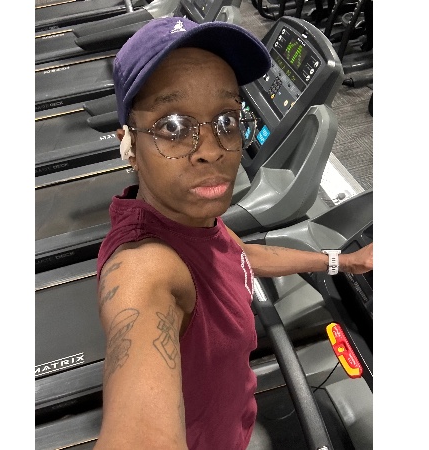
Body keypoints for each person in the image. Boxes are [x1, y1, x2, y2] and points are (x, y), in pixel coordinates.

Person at [93, 17, 373, 450]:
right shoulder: (144, 269)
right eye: (172, 127)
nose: (211, 150)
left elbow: (239, 255)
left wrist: (342, 261)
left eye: (226, 120)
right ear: (128, 144)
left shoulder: (192, 221)